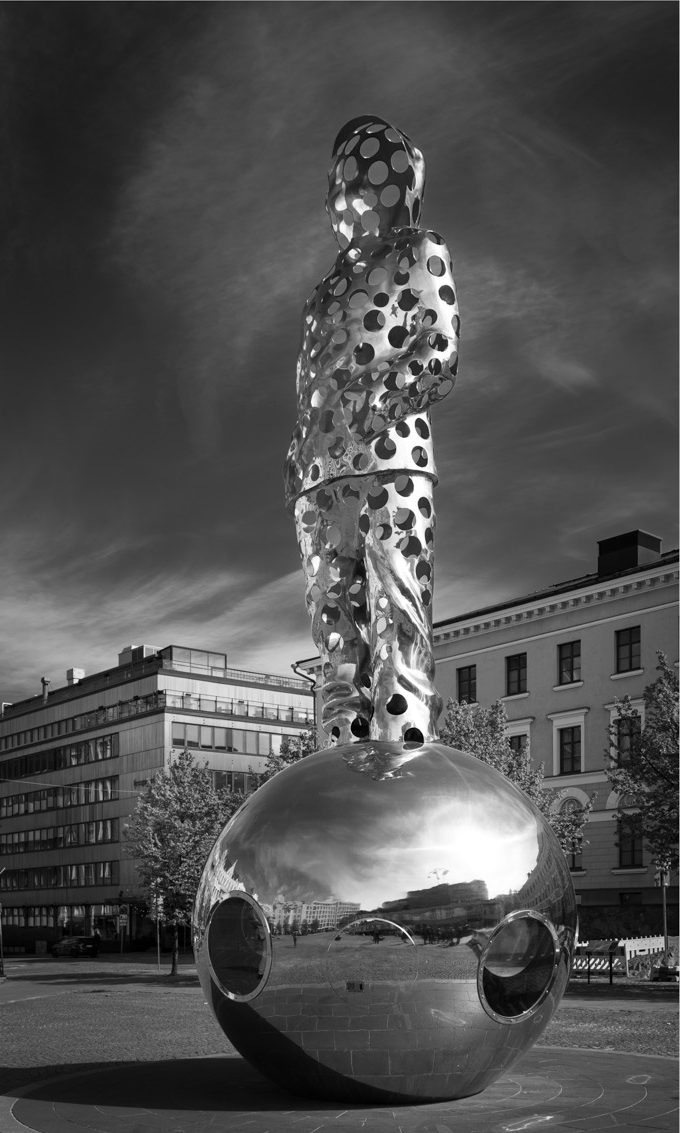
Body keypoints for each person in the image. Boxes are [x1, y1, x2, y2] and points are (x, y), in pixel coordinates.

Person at [286, 116, 459, 745]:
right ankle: (339, 731)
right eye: (342, 180)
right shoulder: (322, 294)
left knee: (396, 588)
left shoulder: (419, 251)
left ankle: (404, 722)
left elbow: (439, 350)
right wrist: (303, 446)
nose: (351, 192)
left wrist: (376, 401)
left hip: (391, 455)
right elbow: (308, 382)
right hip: (317, 471)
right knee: (332, 609)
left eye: (368, 170)